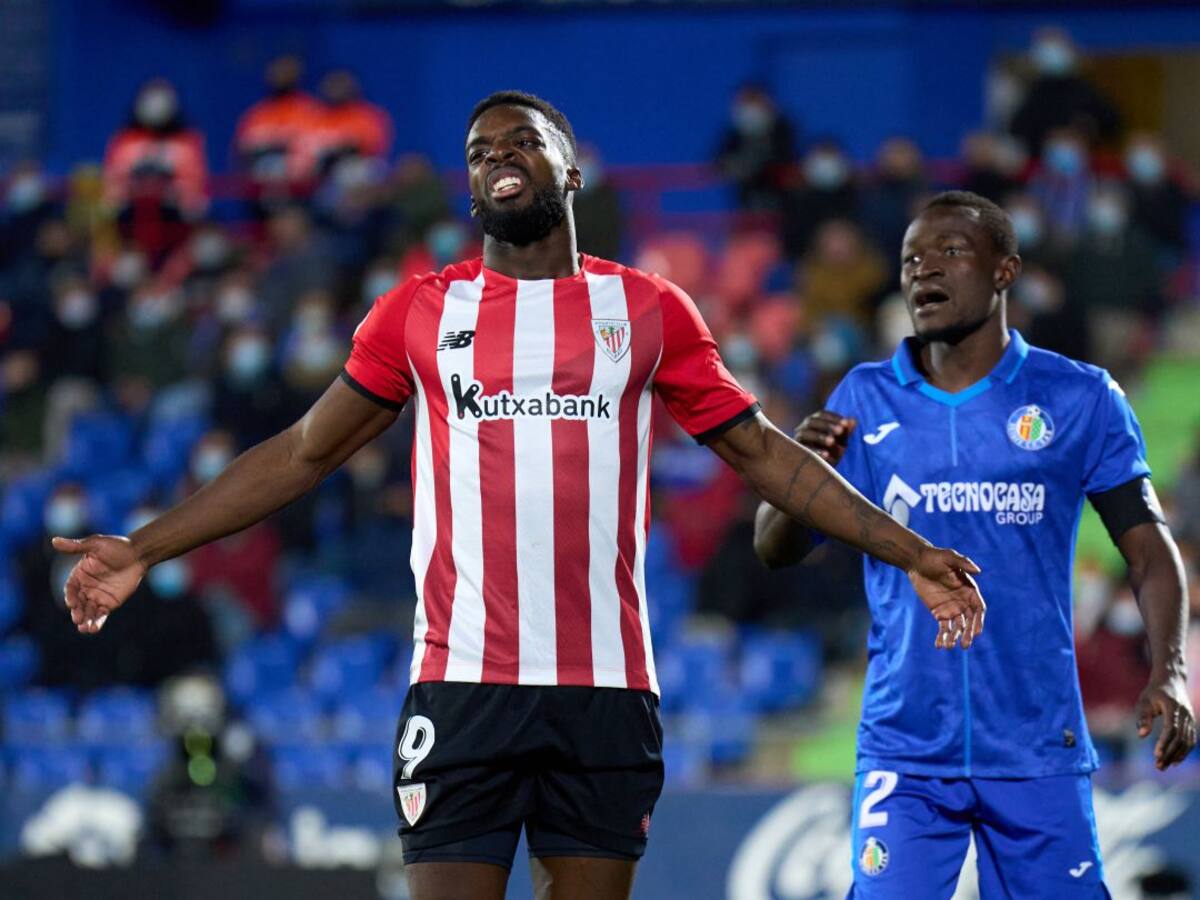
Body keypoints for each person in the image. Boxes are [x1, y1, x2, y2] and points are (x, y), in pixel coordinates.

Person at [53, 92, 986, 900]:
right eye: (479, 151)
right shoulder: (418, 314)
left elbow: (764, 455)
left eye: (520, 141)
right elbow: (302, 453)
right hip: (462, 690)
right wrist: (144, 547)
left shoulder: (649, 311)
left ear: (569, 171)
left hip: (605, 693)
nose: (496, 156)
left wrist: (909, 551)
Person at [755, 190, 1196, 898]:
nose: (924, 269)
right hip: (906, 748)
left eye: (950, 251)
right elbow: (775, 550)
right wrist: (800, 471)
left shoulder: (1079, 396)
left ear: (1005, 270)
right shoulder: (863, 399)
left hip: (1036, 746)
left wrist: (1169, 669)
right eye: (910, 259)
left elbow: (1149, 550)